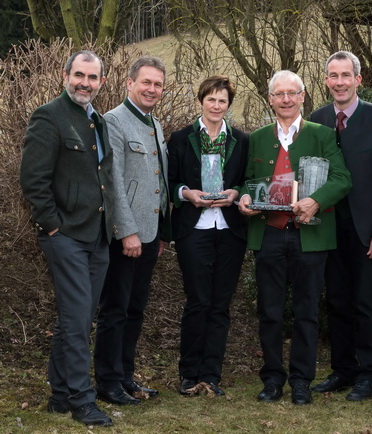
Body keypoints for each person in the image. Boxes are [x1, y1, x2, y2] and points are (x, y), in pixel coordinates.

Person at [239, 70, 351, 405]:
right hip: (269, 235)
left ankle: (302, 381)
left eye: (292, 93)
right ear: (270, 99)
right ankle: (273, 379)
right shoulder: (257, 137)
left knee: (307, 312)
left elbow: (343, 178)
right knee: (270, 312)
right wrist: (246, 197)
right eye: (279, 94)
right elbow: (248, 180)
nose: (286, 100)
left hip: (310, 237)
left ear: (303, 97)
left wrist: (316, 199)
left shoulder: (322, 134)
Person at [20, 50, 115, 427]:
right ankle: (81, 400)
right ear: (65, 75)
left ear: (101, 83)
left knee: (78, 318)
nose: (85, 83)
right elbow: (33, 180)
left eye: (92, 78)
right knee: (76, 321)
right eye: (79, 74)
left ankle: (59, 395)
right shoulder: (49, 116)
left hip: (98, 236)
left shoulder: (99, 122)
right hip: (66, 236)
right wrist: (53, 225)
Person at [309, 51, 372, 401]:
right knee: (337, 301)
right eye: (333, 75)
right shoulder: (316, 119)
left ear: (358, 80)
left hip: (367, 229)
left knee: (365, 303)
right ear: (327, 80)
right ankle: (342, 370)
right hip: (327, 227)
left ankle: (368, 375)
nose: (340, 82)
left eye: (346, 75)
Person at [93, 56, 170, 404]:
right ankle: (107, 382)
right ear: (129, 83)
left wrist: (160, 232)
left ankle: (125, 376)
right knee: (115, 309)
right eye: (146, 82)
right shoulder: (114, 121)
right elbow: (113, 182)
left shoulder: (155, 123)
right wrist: (127, 231)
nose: (152, 89)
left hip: (151, 235)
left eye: (157, 84)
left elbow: (160, 184)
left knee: (135, 308)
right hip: (127, 236)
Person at [168, 76, 248, 396]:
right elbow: (171, 182)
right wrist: (187, 194)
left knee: (220, 304)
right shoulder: (180, 138)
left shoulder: (241, 140)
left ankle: (211, 374)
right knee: (198, 301)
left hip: (229, 229)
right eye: (211, 99)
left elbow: (248, 179)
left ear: (229, 105)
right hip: (193, 228)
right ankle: (189, 374)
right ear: (201, 100)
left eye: (222, 101)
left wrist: (235, 192)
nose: (216, 106)